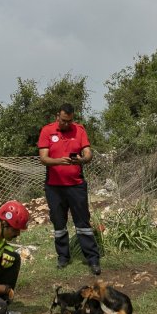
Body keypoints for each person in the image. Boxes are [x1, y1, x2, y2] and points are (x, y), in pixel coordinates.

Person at [38, 104, 100, 275]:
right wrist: (59, 161)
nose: (66, 124)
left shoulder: (79, 130)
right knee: (59, 223)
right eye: (64, 120)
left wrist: (82, 159)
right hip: (54, 187)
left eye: (69, 121)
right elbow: (43, 158)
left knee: (83, 223)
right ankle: (63, 257)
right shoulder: (47, 130)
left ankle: (92, 259)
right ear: (57, 116)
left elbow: (88, 153)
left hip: (76, 185)